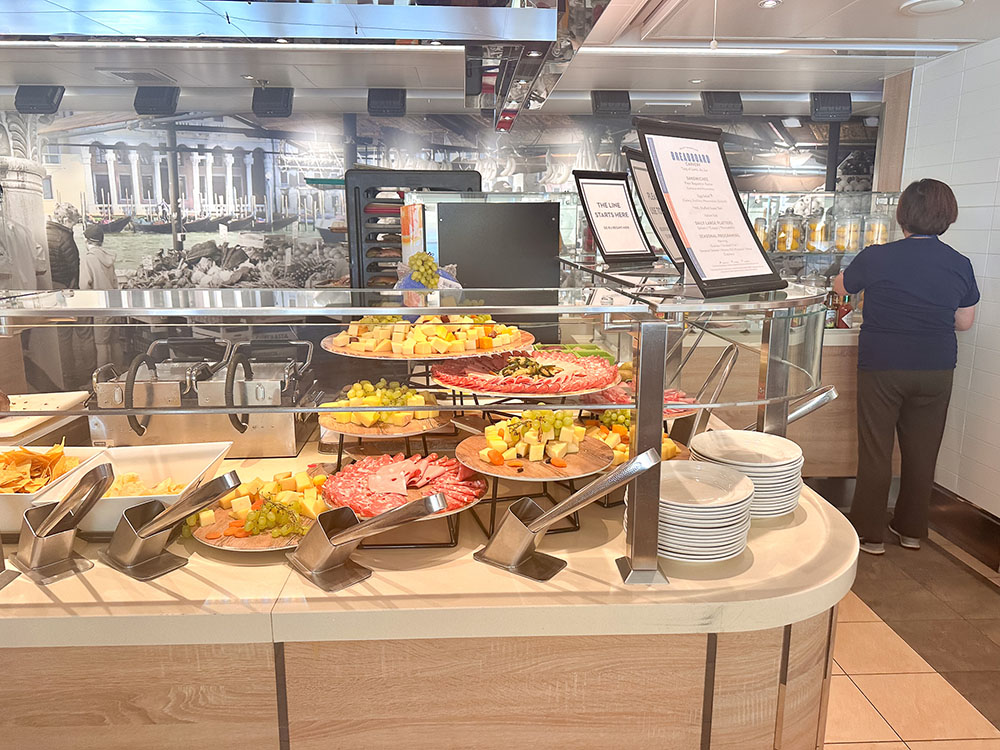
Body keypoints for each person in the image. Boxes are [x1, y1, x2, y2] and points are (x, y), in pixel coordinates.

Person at [834, 179, 979, 555]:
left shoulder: (877, 256)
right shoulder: (959, 264)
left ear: (902, 215)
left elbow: (841, 287)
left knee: (877, 449)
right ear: (947, 216)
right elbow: (964, 322)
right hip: (936, 366)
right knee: (922, 451)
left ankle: (869, 534)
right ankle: (912, 529)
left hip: (883, 364)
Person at [78, 223, 119, 371]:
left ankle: (102, 380)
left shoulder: (88, 258)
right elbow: (115, 282)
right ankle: (120, 375)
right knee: (115, 342)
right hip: (113, 304)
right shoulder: (109, 257)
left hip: (99, 306)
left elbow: (84, 285)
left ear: (87, 240)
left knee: (101, 345)